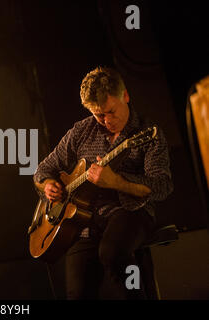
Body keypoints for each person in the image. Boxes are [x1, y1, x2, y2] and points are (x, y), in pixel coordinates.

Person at [33, 66, 173, 299]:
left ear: (125, 96)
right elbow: (43, 170)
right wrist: (47, 184)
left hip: (131, 211)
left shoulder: (149, 133)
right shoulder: (82, 130)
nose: (107, 121)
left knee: (112, 253)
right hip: (84, 222)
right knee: (76, 293)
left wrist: (117, 182)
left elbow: (162, 186)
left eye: (111, 111)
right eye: (99, 115)